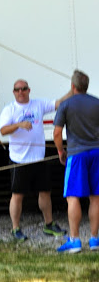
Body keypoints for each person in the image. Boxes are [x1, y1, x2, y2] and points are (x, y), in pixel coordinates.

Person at [0, 78, 71, 241]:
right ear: (13, 92)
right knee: (17, 195)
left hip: (38, 158)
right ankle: (15, 228)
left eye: (24, 89)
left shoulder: (38, 104)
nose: (21, 92)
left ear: (29, 90)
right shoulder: (9, 109)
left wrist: (73, 91)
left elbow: (59, 103)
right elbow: (3, 130)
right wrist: (19, 125)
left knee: (45, 192)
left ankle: (49, 224)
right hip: (19, 159)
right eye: (17, 89)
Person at [54, 69, 99, 253]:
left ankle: (75, 240)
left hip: (76, 155)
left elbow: (57, 133)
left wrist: (60, 151)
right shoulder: (97, 102)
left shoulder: (66, 105)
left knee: (73, 197)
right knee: (95, 197)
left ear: (73, 86)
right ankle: (95, 239)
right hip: (96, 153)